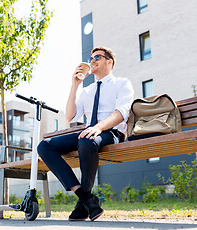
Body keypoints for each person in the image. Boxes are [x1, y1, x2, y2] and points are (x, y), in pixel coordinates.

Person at [37, 46, 134, 221]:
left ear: (109, 61)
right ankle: (86, 198)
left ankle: (83, 204)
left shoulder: (122, 83)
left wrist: (99, 127)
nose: (92, 61)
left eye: (97, 57)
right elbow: (70, 115)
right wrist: (74, 85)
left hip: (111, 132)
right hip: (89, 132)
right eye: (91, 58)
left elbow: (122, 112)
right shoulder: (87, 91)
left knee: (87, 140)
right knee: (44, 146)